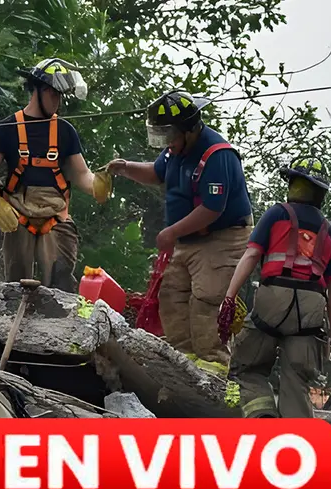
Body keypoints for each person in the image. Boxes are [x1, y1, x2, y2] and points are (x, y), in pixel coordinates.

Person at [107, 89, 254, 368]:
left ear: (189, 130)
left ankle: (214, 367)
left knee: (206, 301)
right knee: (172, 296)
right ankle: (183, 362)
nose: (166, 143)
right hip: (187, 239)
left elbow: (213, 208)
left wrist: (171, 232)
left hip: (221, 238)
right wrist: (124, 168)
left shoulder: (217, 154)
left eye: (169, 135)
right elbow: (156, 172)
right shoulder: (175, 151)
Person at [218, 157, 331, 418]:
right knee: (297, 380)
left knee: (248, 367)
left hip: (273, 299)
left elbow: (251, 256)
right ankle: (296, 446)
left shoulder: (277, 214)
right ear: (321, 193)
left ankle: (263, 421)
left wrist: (229, 297)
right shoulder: (329, 231)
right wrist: (329, 333)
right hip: (311, 308)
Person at [0, 58, 103, 292]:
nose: (57, 101)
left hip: (55, 214)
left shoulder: (66, 131)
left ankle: (60, 323)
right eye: (52, 93)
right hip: (17, 214)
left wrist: (99, 185)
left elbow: (82, 174)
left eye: (60, 95)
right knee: (15, 287)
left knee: (60, 283)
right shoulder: (9, 127)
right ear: (37, 90)